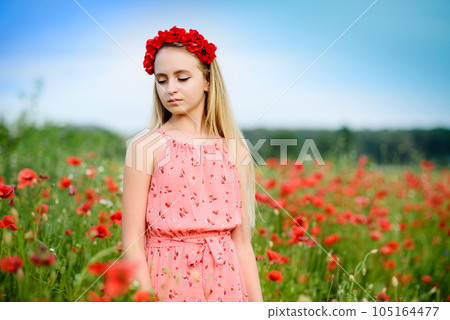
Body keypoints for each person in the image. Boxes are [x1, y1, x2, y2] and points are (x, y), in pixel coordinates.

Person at [122, 26, 263, 302]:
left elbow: (242, 245)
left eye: (182, 77)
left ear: (208, 81)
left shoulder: (235, 150)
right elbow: (132, 243)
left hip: (227, 283)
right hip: (168, 281)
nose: (170, 89)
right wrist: (145, 302)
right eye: (161, 80)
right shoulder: (145, 147)